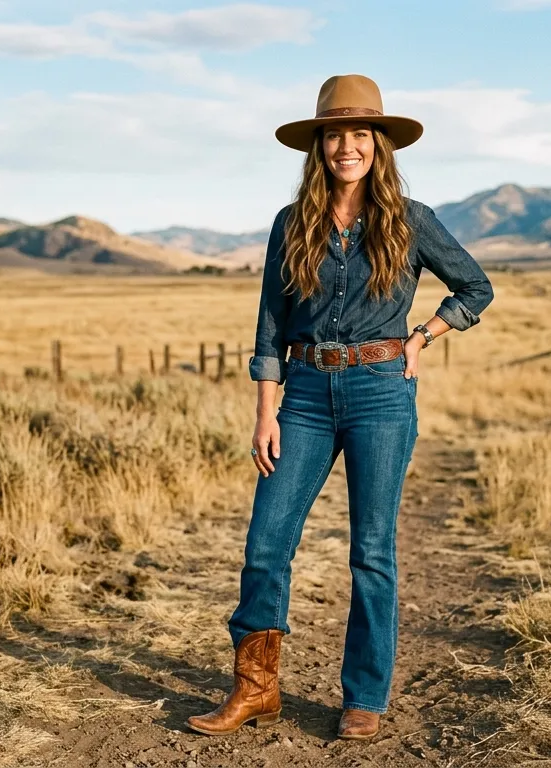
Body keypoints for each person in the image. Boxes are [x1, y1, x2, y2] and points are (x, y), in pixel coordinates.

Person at [187, 73, 494, 742]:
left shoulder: (412, 221)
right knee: (267, 542)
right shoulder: (290, 224)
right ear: (318, 146)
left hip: (381, 392)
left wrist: (424, 335)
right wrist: (265, 411)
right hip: (301, 397)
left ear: (379, 146)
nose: (346, 146)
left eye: (360, 134)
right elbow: (270, 322)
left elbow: (475, 288)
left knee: (372, 550)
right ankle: (256, 687)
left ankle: (364, 696)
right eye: (334, 135)